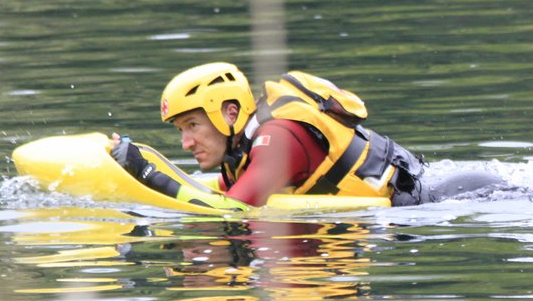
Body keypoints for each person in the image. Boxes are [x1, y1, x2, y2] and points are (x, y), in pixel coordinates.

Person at [109, 61, 424, 209]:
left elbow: (231, 211)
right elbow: (217, 189)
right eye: (181, 130)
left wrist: (148, 174)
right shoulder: (241, 150)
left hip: (431, 200)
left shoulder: (278, 140)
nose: (186, 142)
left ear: (230, 113)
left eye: (193, 125)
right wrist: (132, 171)